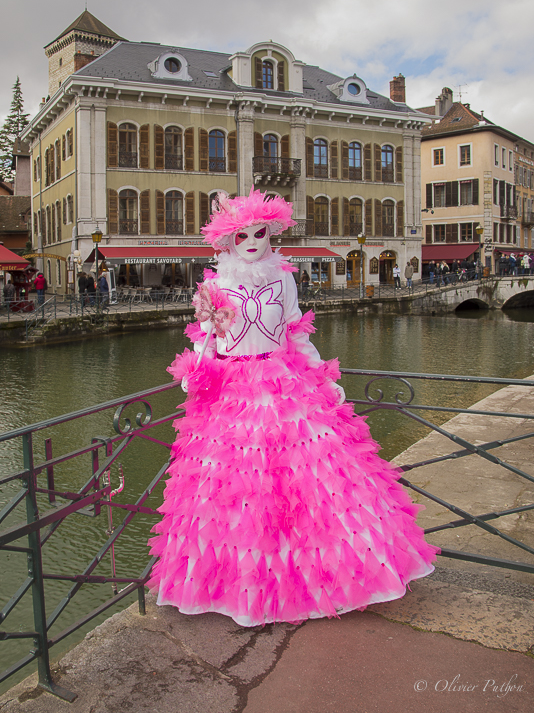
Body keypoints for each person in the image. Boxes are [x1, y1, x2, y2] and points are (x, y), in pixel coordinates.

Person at [148, 190, 437, 627]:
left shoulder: (284, 279)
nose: (251, 241)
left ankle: (317, 580)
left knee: (312, 482)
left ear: (271, 232)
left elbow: (297, 333)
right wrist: (195, 369)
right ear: (226, 240)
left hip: (285, 384)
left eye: (259, 232)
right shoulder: (213, 285)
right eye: (241, 234)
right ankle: (244, 589)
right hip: (232, 392)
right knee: (239, 491)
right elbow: (204, 338)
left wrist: (325, 376)